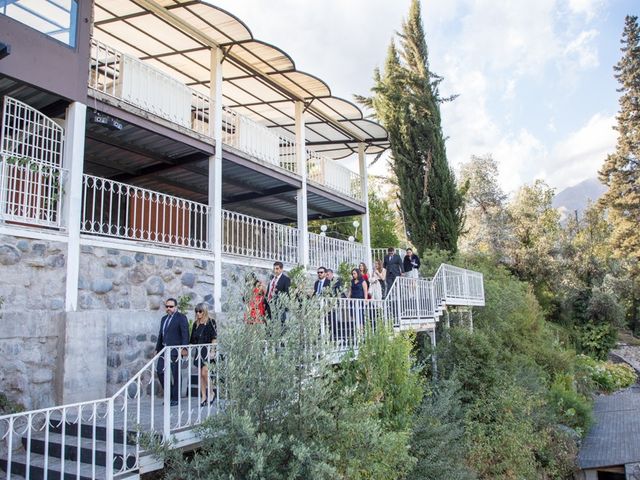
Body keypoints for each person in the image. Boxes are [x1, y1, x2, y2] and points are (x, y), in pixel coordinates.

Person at [155, 298, 189, 406]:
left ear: (175, 307)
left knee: (175, 374)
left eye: (171, 306)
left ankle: (175, 398)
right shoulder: (163, 319)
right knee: (160, 371)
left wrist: (184, 348)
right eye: (167, 306)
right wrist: (157, 349)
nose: (169, 308)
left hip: (175, 351)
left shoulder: (181, 318)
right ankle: (169, 394)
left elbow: (185, 334)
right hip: (164, 350)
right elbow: (161, 334)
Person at [189, 303, 217, 406]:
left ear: (204, 311)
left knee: (205, 373)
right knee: (200, 375)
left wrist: (213, 350)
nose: (198, 313)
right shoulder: (196, 324)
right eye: (196, 311)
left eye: (200, 311)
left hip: (207, 350)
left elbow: (214, 338)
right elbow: (192, 340)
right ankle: (203, 396)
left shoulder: (211, 322)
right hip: (198, 352)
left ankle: (211, 392)